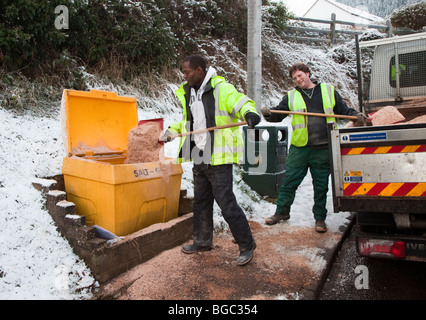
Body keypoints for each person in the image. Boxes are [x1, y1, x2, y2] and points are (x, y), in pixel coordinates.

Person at [163, 54, 260, 265]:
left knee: (227, 204)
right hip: (199, 154)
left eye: (187, 72)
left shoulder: (221, 89)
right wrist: (171, 131)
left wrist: (250, 113)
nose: (184, 76)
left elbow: (241, 103)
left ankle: (246, 245)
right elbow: (188, 122)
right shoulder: (189, 93)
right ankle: (202, 241)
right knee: (200, 203)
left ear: (199, 70)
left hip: (218, 156)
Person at [261, 62, 366, 233]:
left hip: (323, 148)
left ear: (308, 73)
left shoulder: (328, 90)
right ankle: (281, 212)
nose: (298, 80)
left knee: (321, 185)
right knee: (289, 182)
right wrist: (268, 114)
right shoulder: (292, 96)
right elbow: (278, 115)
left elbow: (343, 110)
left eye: (300, 75)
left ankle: (320, 219)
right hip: (300, 148)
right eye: (295, 78)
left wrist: (355, 116)